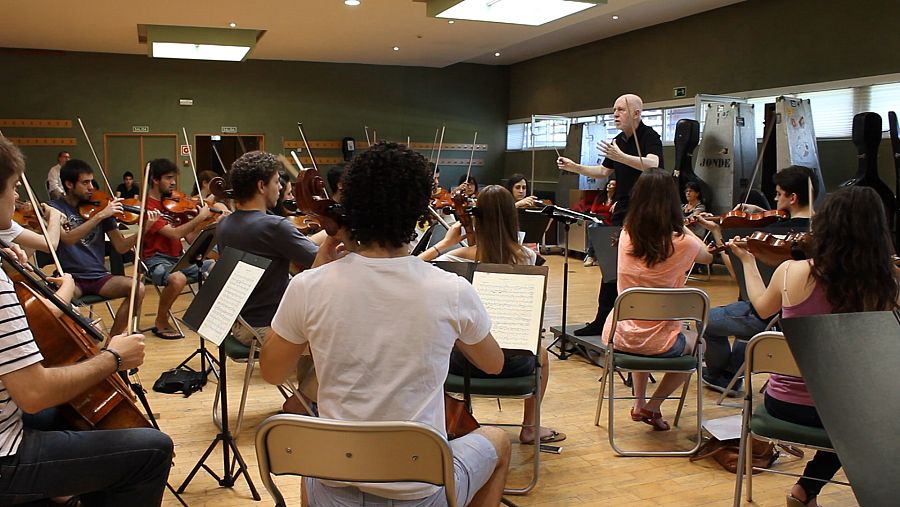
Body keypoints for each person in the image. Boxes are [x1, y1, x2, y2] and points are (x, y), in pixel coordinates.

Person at [260, 142, 511, 507]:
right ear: (419, 212)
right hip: (417, 490)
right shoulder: (451, 289)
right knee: (498, 441)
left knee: (310, 460)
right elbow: (493, 364)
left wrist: (318, 265)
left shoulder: (308, 287)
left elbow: (271, 371)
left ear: (351, 207)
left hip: (334, 483)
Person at [0, 137, 173, 507]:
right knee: (153, 450)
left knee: (66, 410)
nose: (18, 199)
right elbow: (33, 394)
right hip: (6, 454)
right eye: (14, 187)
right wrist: (110, 358)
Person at [728, 186, 899, 507]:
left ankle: (806, 492)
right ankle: (808, 488)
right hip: (844, 414)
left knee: (851, 413)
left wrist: (748, 262)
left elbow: (762, 309)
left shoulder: (791, 271)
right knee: (867, 414)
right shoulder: (885, 285)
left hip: (782, 402)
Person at [419, 185, 564, 445]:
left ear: (476, 217)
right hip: (514, 364)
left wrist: (444, 244)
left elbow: (411, 270)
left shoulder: (455, 258)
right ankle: (530, 427)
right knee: (540, 352)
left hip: (462, 365)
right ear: (512, 217)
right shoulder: (529, 258)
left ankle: (447, 421)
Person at [601, 168, 713, 431]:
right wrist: (687, 226)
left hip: (618, 336)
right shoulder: (684, 241)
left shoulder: (627, 233)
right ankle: (653, 405)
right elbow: (707, 256)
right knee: (701, 345)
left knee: (640, 325)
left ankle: (639, 403)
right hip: (660, 342)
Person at [695, 166, 817, 394]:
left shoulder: (768, 236)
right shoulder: (823, 232)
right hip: (805, 320)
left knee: (705, 320)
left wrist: (720, 236)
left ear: (792, 197)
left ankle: (720, 376)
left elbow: (737, 276)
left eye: (779, 194)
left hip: (768, 315)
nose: (775, 198)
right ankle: (732, 372)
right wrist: (766, 211)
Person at [218, 151, 321, 414]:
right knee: (343, 339)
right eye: (277, 181)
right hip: (267, 328)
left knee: (311, 326)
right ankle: (302, 402)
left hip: (241, 324)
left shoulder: (226, 224)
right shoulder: (273, 226)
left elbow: (304, 246)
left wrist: (327, 235)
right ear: (261, 186)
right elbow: (318, 264)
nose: (281, 188)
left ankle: (308, 399)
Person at [557, 94, 663, 336]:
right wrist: (575, 167)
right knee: (611, 263)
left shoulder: (649, 136)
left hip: (646, 208)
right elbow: (604, 170)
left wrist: (622, 157)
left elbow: (653, 164)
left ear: (636, 113)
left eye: (621, 110)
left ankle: (634, 319)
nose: (615, 114)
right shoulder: (618, 140)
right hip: (624, 207)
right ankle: (602, 319)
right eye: (614, 110)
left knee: (637, 265)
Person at [50, 159, 150, 337]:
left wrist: (144, 230)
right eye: (85, 182)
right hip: (70, 278)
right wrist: (100, 216)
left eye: (91, 181)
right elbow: (68, 239)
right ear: (69, 184)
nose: (91, 187)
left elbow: (120, 247)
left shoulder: (101, 207)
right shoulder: (54, 209)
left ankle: (113, 340)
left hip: (99, 277)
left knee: (138, 288)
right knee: (56, 299)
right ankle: (83, 341)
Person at [142, 158, 216, 340]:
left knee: (215, 266)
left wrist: (209, 225)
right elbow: (175, 234)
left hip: (178, 258)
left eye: (174, 178)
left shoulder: (175, 204)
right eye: (168, 178)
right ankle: (161, 320)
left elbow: (189, 237)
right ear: (155, 180)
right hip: (156, 260)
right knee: (177, 279)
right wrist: (199, 218)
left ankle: (199, 315)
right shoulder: (148, 208)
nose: (174, 182)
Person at [583, 178, 617, 267]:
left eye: (612, 184)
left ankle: (590, 255)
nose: (609, 185)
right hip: (597, 221)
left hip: (609, 223)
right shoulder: (600, 197)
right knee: (593, 226)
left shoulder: (616, 201)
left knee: (593, 227)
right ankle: (592, 256)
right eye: (609, 184)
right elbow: (593, 210)